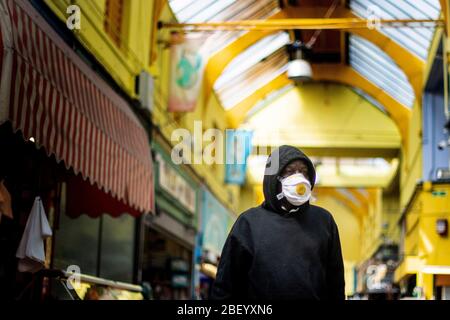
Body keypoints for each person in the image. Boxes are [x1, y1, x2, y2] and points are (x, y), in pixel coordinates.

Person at [211, 145, 345, 300]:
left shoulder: (323, 221)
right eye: (290, 171)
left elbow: (336, 283)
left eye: (304, 172)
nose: (299, 177)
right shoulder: (248, 224)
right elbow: (226, 286)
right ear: (273, 177)